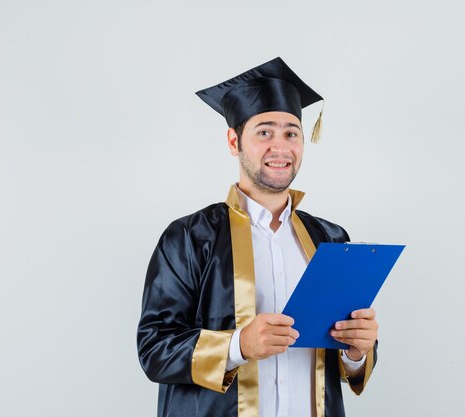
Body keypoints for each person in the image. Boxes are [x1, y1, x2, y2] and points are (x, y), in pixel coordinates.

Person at [137, 57, 379, 417]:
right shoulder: (188, 237)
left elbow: (344, 360)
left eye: (291, 133)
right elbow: (154, 349)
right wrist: (238, 346)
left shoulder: (329, 238)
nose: (280, 148)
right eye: (264, 132)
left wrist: (357, 350)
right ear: (234, 141)